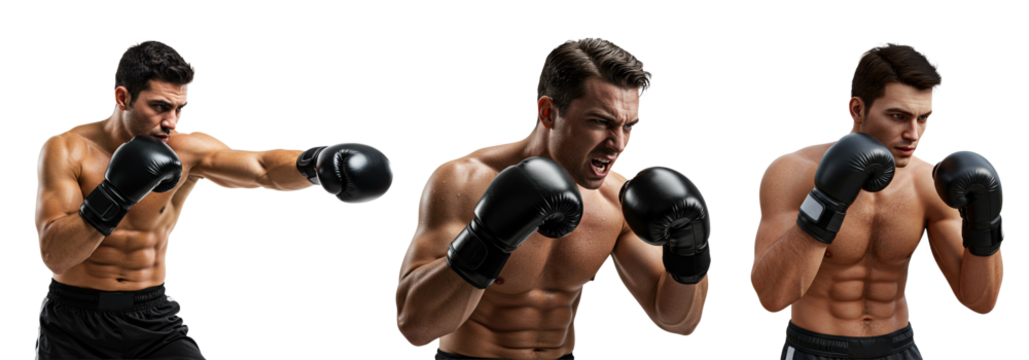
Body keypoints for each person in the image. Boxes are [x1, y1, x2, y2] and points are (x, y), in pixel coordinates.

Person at [33, 38, 394, 360]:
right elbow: (55, 255)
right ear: (122, 97)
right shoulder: (67, 149)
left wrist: (314, 163)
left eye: (180, 109)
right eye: (159, 107)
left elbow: (261, 167)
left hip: (151, 315)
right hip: (73, 323)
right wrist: (115, 193)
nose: (170, 122)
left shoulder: (185, 148)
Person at [395, 35, 711, 360]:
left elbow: (677, 321)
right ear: (548, 112)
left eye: (628, 127)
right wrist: (488, 237)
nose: (617, 144)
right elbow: (415, 327)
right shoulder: (464, 181)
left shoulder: (617, 198)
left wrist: (691, 251)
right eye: (600, 122)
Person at [750, 39, 1004, 360]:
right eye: (898, 116)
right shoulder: (793, 171)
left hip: (899, 347)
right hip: (815, 349)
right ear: (857, 109)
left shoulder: (928, 182)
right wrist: (826, 202)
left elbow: (980, 301)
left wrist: (986, 222)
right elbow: (771, 298)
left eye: (923, 118)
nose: (913, 134)